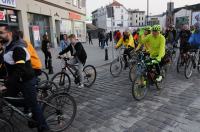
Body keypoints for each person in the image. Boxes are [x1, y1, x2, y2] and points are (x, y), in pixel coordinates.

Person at [0, 24, 49, 132]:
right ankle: (29, 102)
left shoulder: (18, 48)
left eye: (1, 33)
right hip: (17, 80)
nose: (0, 35)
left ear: (9, 34)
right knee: (7, 97)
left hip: (26, 79)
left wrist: (6, 84)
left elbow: (20, 69)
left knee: (34, 105)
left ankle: (44, 128)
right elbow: (4, 63)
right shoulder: (7, 45)